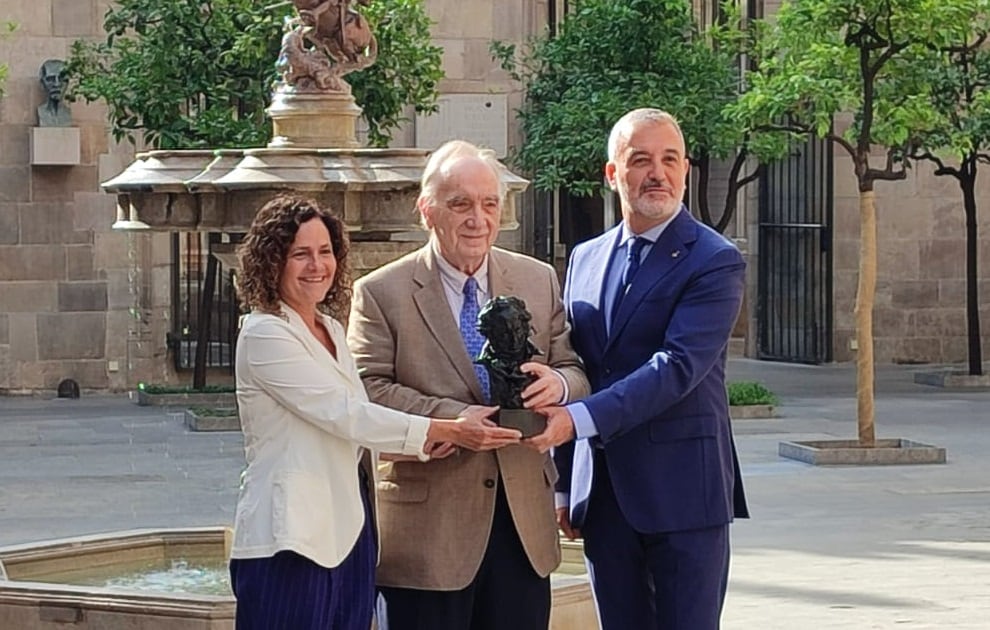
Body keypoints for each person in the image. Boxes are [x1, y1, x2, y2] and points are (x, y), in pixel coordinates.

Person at [228, 193, 521, 630]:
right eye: (300, 254)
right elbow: (344, 414)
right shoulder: (263, 334)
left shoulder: (329, 327)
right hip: (290, 539)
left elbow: (357, 420)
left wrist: (423, 446)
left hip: (350, 535)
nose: (317, 265)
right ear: (272, 263)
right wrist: (448, 429)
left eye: (325, 251)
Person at [346, 140, 590, 630]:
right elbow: (366, 389)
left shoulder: (538, 279)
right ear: (427, 210)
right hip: (427, 538)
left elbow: (575, 369)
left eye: (489, 204)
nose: (477, 219)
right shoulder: (380, 292)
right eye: (460, 204)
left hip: (522, 527)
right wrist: (451, 421)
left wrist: (558, 386)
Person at [529, 108, 750, 630]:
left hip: (684, 497)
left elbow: (676, 367)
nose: (658, 173)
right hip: (605, 499)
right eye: (641, 160)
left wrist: (577, 420)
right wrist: (565, 484)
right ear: (613, 173)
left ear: (686, 170)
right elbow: (574, 365)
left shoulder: (714, 260)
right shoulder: (585, 258)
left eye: (670, 160)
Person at [37, 59, 71, 127]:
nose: (57, 84)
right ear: (42, 83)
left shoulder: (68, 112)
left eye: (62, 79)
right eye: (51, 79)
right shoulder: (41, 111)